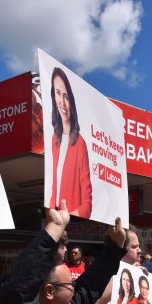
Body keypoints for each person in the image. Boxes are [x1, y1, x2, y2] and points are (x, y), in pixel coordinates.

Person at [46, 67, 91, 219]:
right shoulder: (54, 140)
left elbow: (87, 204)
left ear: (71, 100)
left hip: (67, 222)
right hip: (53, 219)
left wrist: (66, 219)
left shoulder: (80, 144)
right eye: (58, 93)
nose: (62, 102)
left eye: (66, 96)